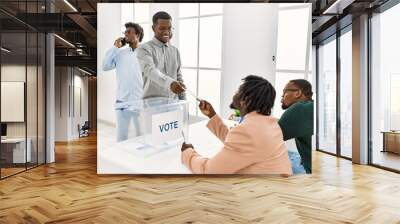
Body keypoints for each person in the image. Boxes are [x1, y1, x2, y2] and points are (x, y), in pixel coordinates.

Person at [180, 75, 292, 175]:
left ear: (245, 100)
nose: (235, 93)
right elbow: (239, 143)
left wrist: (188, 153)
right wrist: (212, 116)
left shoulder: (246, 132)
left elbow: (208, 171)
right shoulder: (271, 124)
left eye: (239, 90)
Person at [102, 22, 144, 142]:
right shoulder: (120, 53)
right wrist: (115, 47)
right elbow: (105, 66)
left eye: (128, 32)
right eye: (124, 32)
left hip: (139, 102)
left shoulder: (146, 53)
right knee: (121, 138)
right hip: (122, 102)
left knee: (140, 137)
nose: (125, 34)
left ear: (138, 34)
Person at [136, 11, 186, 100]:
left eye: (169, 28)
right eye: (162, 28)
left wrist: (184, 105)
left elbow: (179, 78)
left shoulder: (175, 51)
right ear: (153, 28)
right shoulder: (144, 49)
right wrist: (170, 83)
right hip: (151, 106)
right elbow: (150, 71)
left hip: (174, 105)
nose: (166, 32)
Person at [278, 79, 314, 174]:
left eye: (284, 92)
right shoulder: (312, 106)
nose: (282, 98)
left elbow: (271, 138)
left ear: (297, 93)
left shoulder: (299, 109)